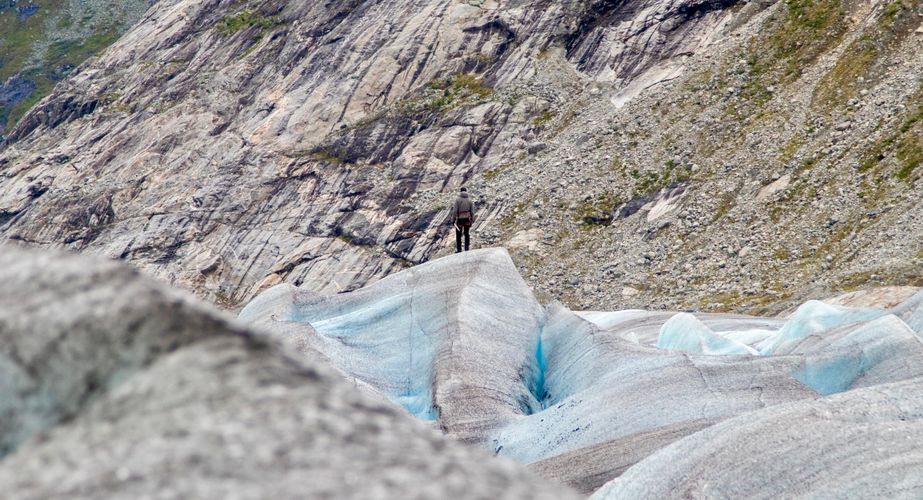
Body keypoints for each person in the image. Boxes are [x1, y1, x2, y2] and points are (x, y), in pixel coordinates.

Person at [453, 187, 474, 253]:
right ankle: (466, 248)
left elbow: (455, 211)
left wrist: (453, 219)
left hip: (459, 219)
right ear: (466, 191)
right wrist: (472, 221)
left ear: (460, 191)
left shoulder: (457, 200)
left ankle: (459, 250)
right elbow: (472, 212)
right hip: (467, 219)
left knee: (458, 235)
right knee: (466, 234)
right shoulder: (470, 200)